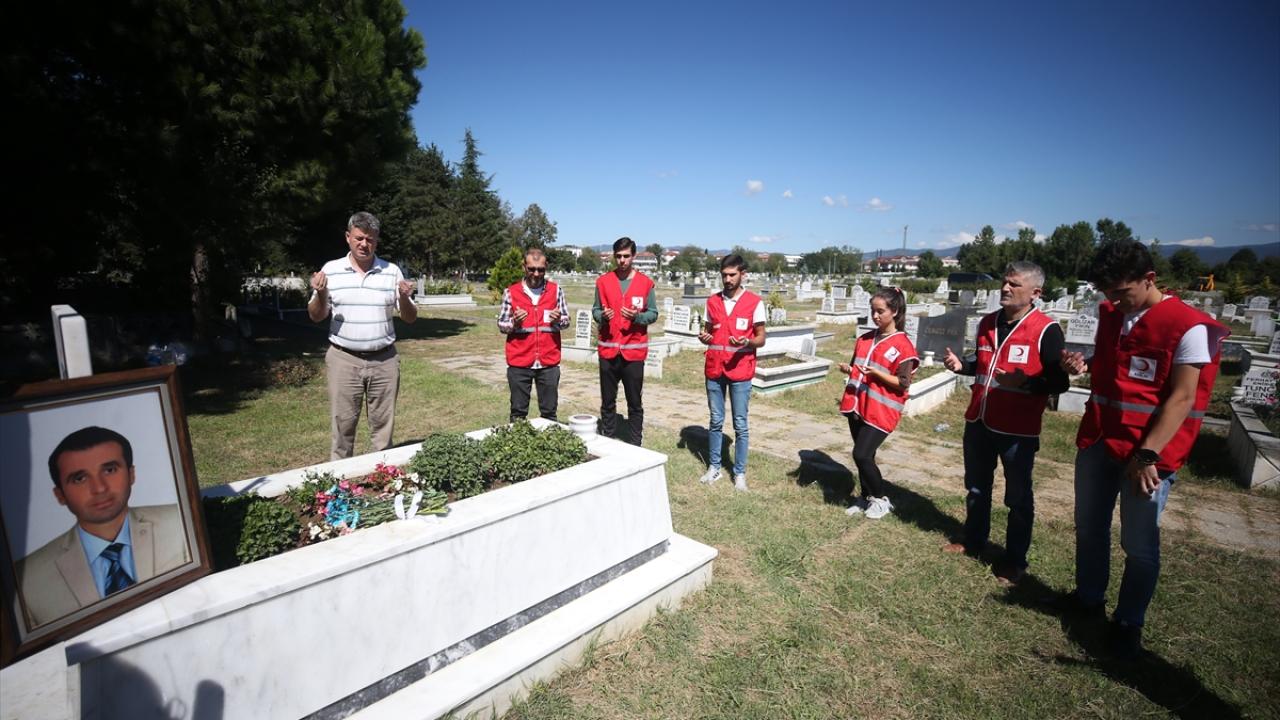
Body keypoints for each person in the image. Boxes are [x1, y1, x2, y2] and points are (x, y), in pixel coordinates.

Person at [1059, 240, 1228, 658]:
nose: (1114, 301)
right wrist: (1084, 364)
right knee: (1090, 527)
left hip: (1146, 455)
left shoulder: (1188, 326)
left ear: (1149, 279)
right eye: (1107, 293)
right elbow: (1115, 367)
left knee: (1139, 545)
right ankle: (1088, 598)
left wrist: (1146, 455)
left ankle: (1128, 622)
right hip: (1100, 439)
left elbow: (1182, 398)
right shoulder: (1111, 314)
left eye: (1122, 292)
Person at [940, 261, 1070, 585]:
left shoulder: (1046, 330)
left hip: (1017, 430)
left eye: (1014, 284)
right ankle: (974, 540)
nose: (1005, 288)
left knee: (1018, 498)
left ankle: (1014, 560)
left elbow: (1060, 383)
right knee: (976, 487)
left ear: (1035, 293)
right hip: (979, 420)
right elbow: (982, 362)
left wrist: (1024, 383)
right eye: (1004, 282)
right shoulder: (988, 322)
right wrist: (962, 366)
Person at [16, 426, 189, 629]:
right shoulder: (25, 580)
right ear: (60, 495)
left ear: (131, 474)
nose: (99, 488)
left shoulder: (180, 521)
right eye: (80, 478)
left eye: (109, 470)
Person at [309, 211, 417, 460]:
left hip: (384, 360)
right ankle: (340, 478)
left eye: (370, 239)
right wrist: (321, 294)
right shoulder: (331, 270)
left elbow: (410, 318)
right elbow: (316, 315)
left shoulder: (391, 271)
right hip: (344, 359)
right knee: (342, 426)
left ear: (377, 240)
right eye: (359, 238)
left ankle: (382, 473)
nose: (364, 244)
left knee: (383, 428)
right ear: (348, 237)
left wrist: (404, 297)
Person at [836, 287, 918, 519]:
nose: (875, 316)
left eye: (880, 311)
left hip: (881, 410)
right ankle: (865, 498)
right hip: (857, 405)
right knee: (867, 457)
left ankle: (881, 499)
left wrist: (876, 374)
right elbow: (858, 368)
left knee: (861, 454)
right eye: (873, 310)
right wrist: (849, 369)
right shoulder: (864, 339)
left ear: (895, 311)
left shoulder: (903, 345)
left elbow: (903, 383)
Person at [697, 254, 767, 491]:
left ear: (742, 274)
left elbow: (761, 338)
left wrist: (748, 341)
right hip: (715, 369)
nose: (727, 279)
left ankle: (739, 473)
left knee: (740, 424)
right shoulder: (712, 302)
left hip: (740, 370)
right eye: (724, 275)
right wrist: (704, 337)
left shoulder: (754, 302)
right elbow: (709, 332)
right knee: (716, 420)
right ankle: (714, 467)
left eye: (732, 275)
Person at [593, 237, 658, 445]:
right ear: (614, 256)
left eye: (626, 256)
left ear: (633, 256)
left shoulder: (645, 283)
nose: (622, 260)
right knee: (607, 401)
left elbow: (653, 313)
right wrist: (602, 316)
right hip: (608, 352)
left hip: (633, 353)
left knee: (635, 403)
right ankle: (608, 440)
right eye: (619, 256)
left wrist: (637, 317)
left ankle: (635, 443)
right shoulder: (603, 282)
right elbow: (595, 310)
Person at [498, 248, 570, 422]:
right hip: (520, 361)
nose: (536, 273)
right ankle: (518, 440)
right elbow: (502, 324)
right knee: (518, 413)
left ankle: (549, 439)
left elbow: (566, 321)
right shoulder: (511, 292)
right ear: (524, 267)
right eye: (531, 269)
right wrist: (514, 323)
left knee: (549, 413)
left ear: (546, 267)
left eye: (540, 269)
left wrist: (559, 320)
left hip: (548, 362)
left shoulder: (556, 291)